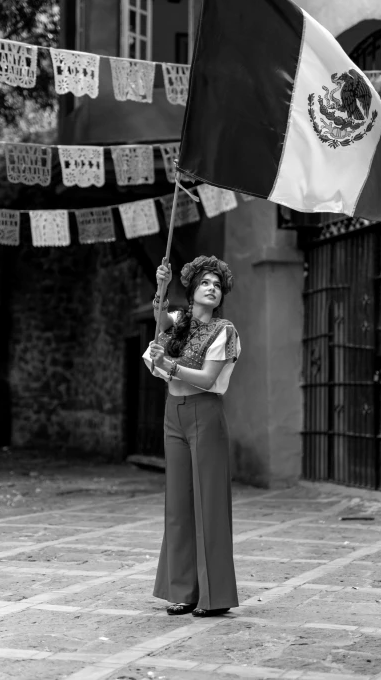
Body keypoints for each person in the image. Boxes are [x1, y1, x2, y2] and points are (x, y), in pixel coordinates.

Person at [142, 255, 241, 618]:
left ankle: (214, 597)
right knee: (179, 504)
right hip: (174, 413)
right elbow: (158, 318)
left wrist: (169, 364)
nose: (211, 288)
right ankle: (182, 591)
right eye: (205, 283)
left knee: (209, 502)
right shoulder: (179, 322)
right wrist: (161, 284)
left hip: (205, 412)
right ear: (193, 290)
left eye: (217, 285)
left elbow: (207, 379)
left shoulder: (224, 330)